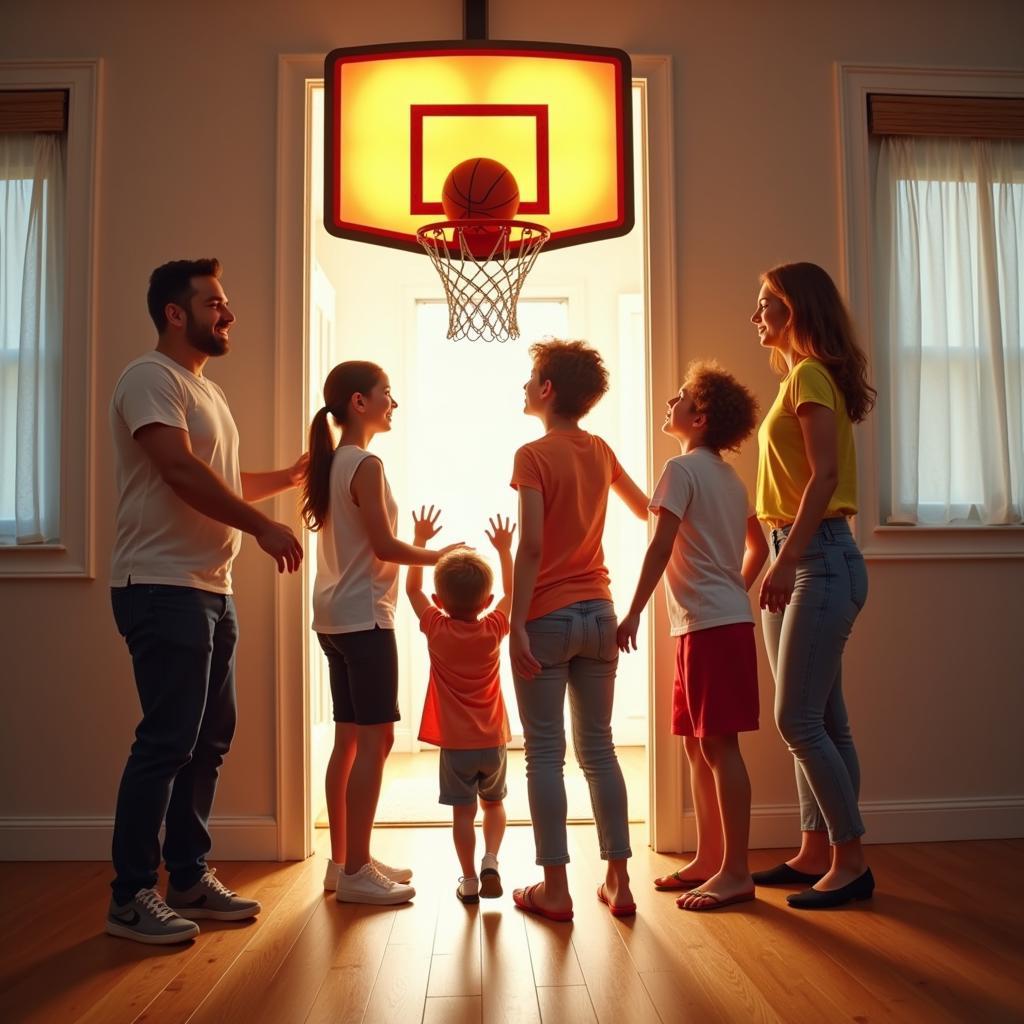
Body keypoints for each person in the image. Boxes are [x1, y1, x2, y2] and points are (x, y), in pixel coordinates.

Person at [107, 258, 305, 944]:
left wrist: (290, 478)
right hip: (160, 586)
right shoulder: (149, 378)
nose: (228, 313)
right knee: (165, 743)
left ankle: (187, 876)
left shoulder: (203, 391)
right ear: (175, 312)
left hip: (208, 590)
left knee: (207, 742)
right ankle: (130, 897)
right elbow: (179, 469)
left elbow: (220, 475)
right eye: (215, 302)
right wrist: (263, 527)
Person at [302, 360, 462, 906]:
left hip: (333, 616)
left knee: (349, 737)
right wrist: (440, 555)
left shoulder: (332, 462)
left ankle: (345, 862)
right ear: (358, 403)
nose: (394, 404)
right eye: (386, 394)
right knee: (376, 739)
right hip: (366, 619)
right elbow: (383, 548)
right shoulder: (364, 463)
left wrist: (415, 542)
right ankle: (355, 871)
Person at [617, 361, 767, 912]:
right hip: (706, 624)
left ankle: (736, 871)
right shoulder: (729, 478)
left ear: (698, 417)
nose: (669, 404)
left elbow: (659, 545)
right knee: (695, 744)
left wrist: (632, 611)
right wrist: (736, 591)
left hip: (710, 628)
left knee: (719, 745)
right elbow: (760, 547)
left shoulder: (679, 470)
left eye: (678, 398)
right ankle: (708, 857)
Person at [508, 339, 649, 922]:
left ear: (546, 391)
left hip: (548, 616)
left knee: (544, 753)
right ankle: (618, 882)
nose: (524, 386)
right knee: (599, 750)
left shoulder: (532, 454)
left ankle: (557, 891)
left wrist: (515, 622)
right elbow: (649, 510)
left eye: (530, 377)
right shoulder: (600, 451)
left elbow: (532, 545)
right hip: (601, 612)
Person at [750, 261, 876, 909]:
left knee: (797, 717)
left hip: (818, 558)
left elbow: (824, 479)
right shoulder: (801, 378)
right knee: (824, 716)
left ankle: (850, 859)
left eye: (767, 302)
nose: (757, 314)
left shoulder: (808, 377)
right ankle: (814, 850)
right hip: (803, 553)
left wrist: (784, 557)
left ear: (795, 308)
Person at [406, 509, 514, 904]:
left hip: (455, 745)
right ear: (485, 601)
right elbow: (512, 593)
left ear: (439, 600)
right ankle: (491, 860)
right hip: (492, 739)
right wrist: (505, 549)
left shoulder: (436, 627)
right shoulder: (492, 629)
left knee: (463, 813)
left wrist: (421, 543)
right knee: (495, 804)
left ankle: (469, 879)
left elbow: (412, 592)